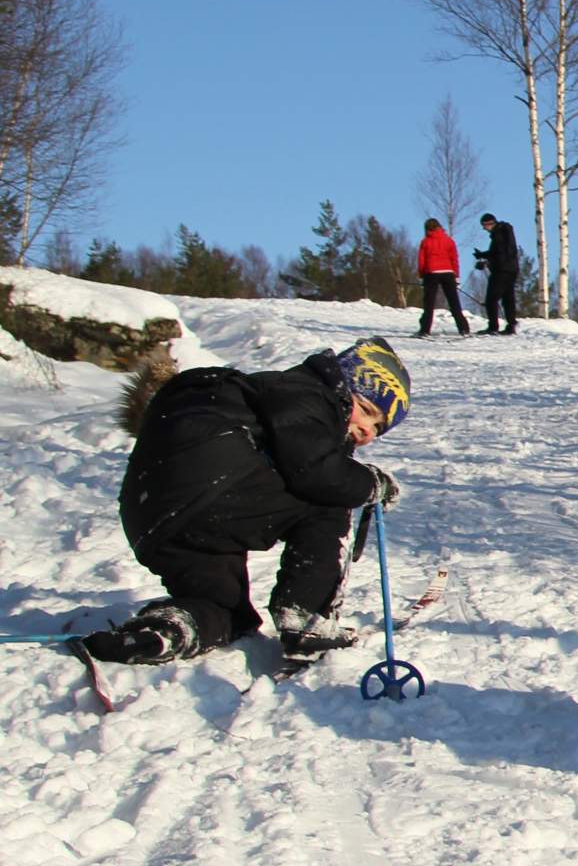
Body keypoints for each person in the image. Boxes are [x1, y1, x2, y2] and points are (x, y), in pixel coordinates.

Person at [83, 337, 410, 664]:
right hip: (210, 492)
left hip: (155, 521)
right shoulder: (309, 392)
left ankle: (163, 633)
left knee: (226, 609)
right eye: (366, 409)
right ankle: (307, 619)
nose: (367, 429)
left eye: (378, 428)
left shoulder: (282, 398)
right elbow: (318, 474)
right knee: (331, 496)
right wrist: (371, 482)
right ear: (343, 382)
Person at [416, 218, 469, 337]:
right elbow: (454, 259)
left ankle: (425, 330)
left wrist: (421, 275)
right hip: (448, 272)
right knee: (454, 302)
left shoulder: (425, 241)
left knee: (429, 303)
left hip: (431, 272)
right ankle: (463, 329)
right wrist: (457, 275)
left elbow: (421, 260)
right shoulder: (449, 240)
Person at [473, 212, 518, 335]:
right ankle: (511, 325)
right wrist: (482, 254)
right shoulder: (505, 232)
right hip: (512, 270)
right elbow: (498, 252)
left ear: (490, 223)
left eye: (484, 226)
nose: (484, 229)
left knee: (491, 299)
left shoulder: (498, 235)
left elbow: (499, 254)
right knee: (508, 299)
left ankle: (493, 326)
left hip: (501, 271)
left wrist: (485, 262)